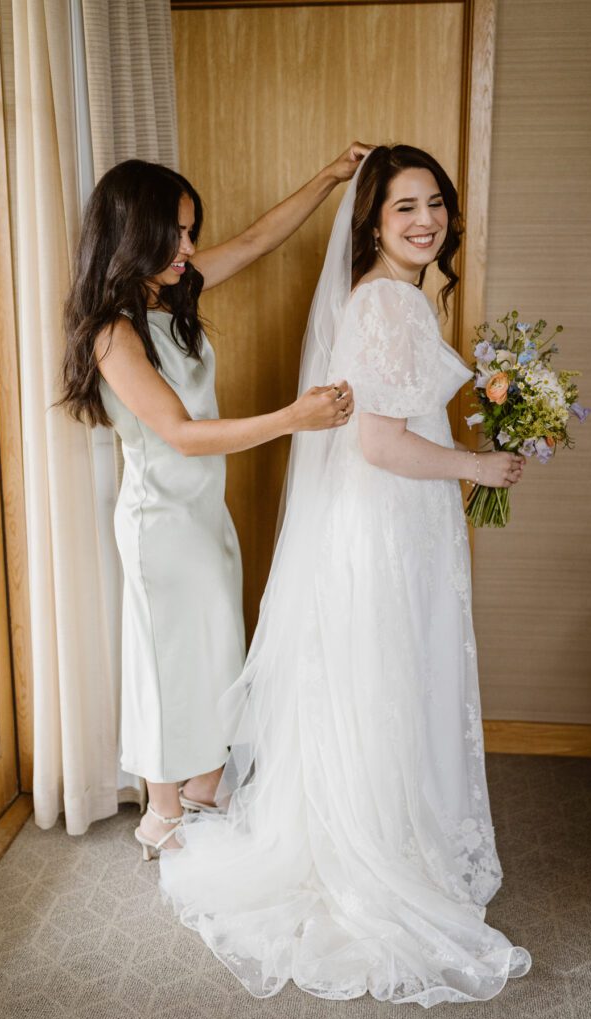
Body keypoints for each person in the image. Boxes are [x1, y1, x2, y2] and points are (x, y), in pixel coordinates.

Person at [158, 145, 532, 1006]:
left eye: (433, 202)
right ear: (371, 221)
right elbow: (380, 442)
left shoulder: (382, 297)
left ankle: (377, 830)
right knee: (388, 679)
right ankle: (378, 852)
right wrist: (477, 468)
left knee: (373, 684)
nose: (424, 220)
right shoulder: (389, 306)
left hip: (377, 521)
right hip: (386, 521)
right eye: (403, 206)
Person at [60, 144, 369, 857]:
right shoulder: (113, 333)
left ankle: (202, 782)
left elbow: (260, 240)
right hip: (161, 524)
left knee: (214, 649)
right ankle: (160, 811)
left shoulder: (174, 293)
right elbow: (181, 434)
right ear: (132, 235)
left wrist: (324, 177)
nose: (189, 248)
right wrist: (292, 419)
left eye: (191, 231)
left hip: (201, 514)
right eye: (176, 233)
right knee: (169, 663)